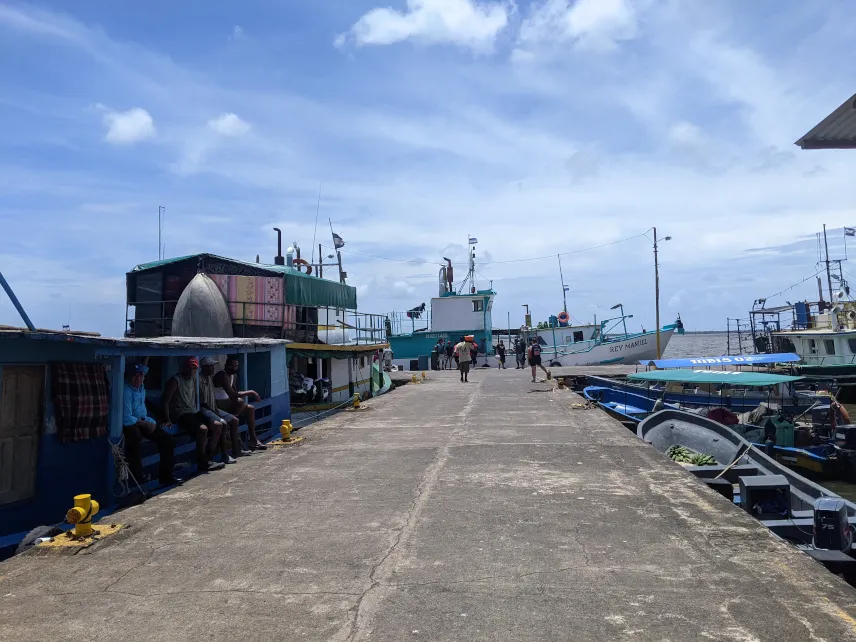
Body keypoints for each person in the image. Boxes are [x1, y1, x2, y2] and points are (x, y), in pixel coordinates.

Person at [122, 361, 182, 488]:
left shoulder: (141, 387)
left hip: (143, 420)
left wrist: (151, 423)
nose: (138, 378)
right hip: (130, 423)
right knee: (134, 437)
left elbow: (144, 365)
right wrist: (146, 424)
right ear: (129, 377)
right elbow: (126, 418)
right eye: (135, 376)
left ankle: (166, 477)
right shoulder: (126, 390)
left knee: (167, 440)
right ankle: (137, 477)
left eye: (141, 375)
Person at [163, 357, 225, 472]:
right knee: (203, 429)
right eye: (191, 368)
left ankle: (208, 457)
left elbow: (199, 399)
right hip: (181, 413)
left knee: (218, 425)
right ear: (185, 368)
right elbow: (166, 400)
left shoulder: (193, 379)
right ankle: (203, 462)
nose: (192, 371)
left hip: (193, 412)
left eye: (195, 369)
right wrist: (167, 419)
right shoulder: (175, 380)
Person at [199, 357, 251, 463]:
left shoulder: (209, 378)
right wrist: (215, 412)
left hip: (214, 407)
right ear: (205, 368)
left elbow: (233, 393)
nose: (213, 368)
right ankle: (222, 455)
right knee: (223, 424)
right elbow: (203, 402)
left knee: (235, 420)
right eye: (211, 366)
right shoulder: (199, 379)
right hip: (206, 409)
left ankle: (237, 450)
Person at [214, 357, 267, 451]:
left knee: (250, 408)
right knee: (240, 402)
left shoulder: (233, 375)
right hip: (218, 402)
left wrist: (249, 393)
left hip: (228, 402)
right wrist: (251, 392)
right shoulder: (222, 375)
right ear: (226, 365)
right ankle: (232, 421)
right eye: (232, 366)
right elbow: (233, 395)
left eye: (236, 366)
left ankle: (253, 440)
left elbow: (235, 391)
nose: (234, 368)